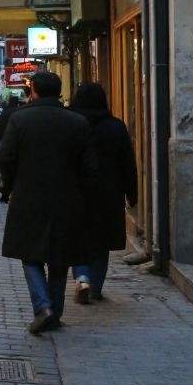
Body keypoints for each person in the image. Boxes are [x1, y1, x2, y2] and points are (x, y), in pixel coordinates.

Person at [0, 72, 93, 334]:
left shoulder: (20, 119)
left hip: (29, 197)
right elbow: (89, 166)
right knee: (60, 258)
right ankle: (55, 313)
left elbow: (4, 157)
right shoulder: (77, 122)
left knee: (30, 255)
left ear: (33, 90)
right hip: (68, 198)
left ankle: (43, 307)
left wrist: (10, 183)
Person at [67, 83, 138, 304]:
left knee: (76, 237)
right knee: (101, 241)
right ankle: (95, 287)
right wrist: (131, 193)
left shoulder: (69, 124)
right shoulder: (115, 126)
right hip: (108, 191)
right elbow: (127, 163)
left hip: (74, 189)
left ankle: (82, 277)